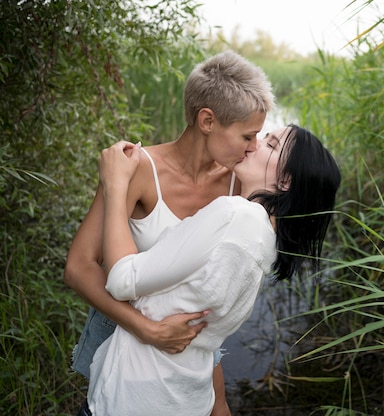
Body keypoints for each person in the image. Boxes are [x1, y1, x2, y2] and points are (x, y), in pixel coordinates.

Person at [64, 50, 275, 416]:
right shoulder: (136, 169)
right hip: (126, 356)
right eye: (247, 136)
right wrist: (146, 329)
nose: (254, 147)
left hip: (194, 357)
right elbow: (80, 266)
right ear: (207, 120)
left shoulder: (238, 188)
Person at [82, 124, 341, 415]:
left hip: (130, 397)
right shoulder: (266, 242)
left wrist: (116, 186)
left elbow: (121, 279)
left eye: (269, 145)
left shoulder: (234, 215)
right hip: (187, 399)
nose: (253, 145)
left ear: (285, 181)